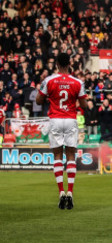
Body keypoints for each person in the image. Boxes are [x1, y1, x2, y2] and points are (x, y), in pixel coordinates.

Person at [35, 53, 88, 210]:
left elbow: (38, 100)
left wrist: (50, 96)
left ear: (57, 64)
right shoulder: (77, 82)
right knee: (71, 155)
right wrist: (73, 101)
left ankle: (61, 192)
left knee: (57, 155)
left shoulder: (49, 80)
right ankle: (70, 193)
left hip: (55, 119)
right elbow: (84, 105)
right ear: (70, 63)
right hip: (71, 118)